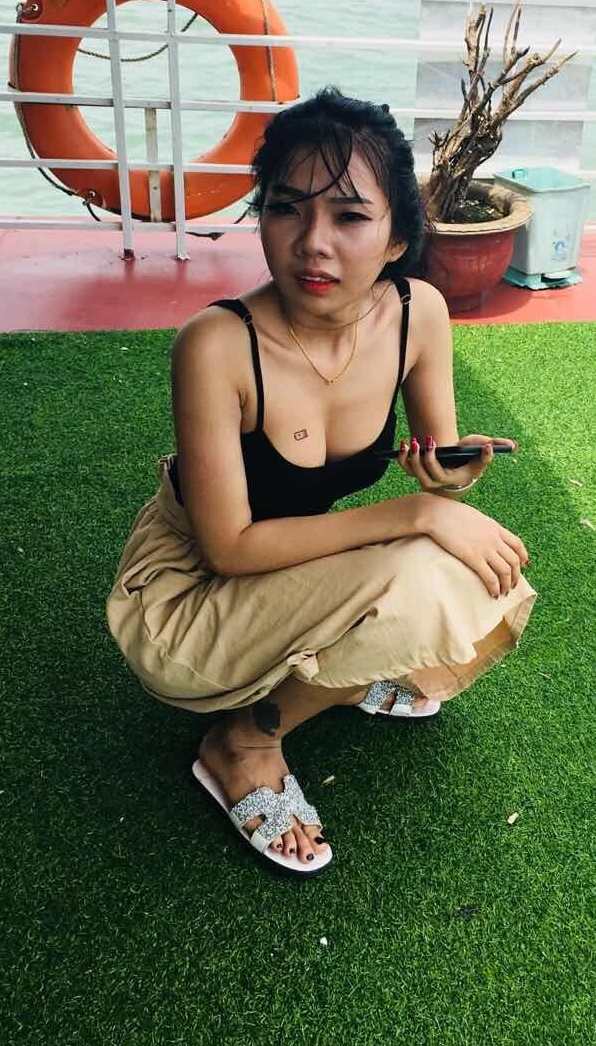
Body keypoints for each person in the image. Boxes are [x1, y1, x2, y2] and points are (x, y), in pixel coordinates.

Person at [105, 88, 536, 876]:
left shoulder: (418, 313)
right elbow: (229, 548)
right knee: (422, 578)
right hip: (188, 595)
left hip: (297, 567)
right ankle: (245, 740)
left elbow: (436, 466)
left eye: (349, 216)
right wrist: (416, 514)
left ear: (398, 236)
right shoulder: (216, 345)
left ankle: (336, 667)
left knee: (463, 574)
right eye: (287, 209)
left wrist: (448, 477)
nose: (313, 243)